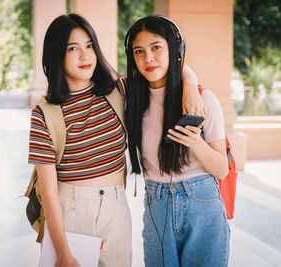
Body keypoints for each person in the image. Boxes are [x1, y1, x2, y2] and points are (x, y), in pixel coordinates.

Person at [28, 14, 204, 267]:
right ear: (56, 55)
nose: (85, 55)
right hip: (71, 209)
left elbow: (164, 67)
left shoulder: (117, 91)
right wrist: (63, 253)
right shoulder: (44, 114)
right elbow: (48, 191)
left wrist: (191, 83)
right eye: (72, 48)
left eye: (89, 46)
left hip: (116, 205)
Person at [124, 15, 230, 267]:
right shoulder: (130, 98)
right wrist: (189, 79)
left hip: (202, 202)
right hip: (156, 202)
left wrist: (195, 142)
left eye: (156, 47)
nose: (148, 58)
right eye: (139, 51)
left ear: (174, 48)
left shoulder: (203, 100)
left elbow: (222, 169)